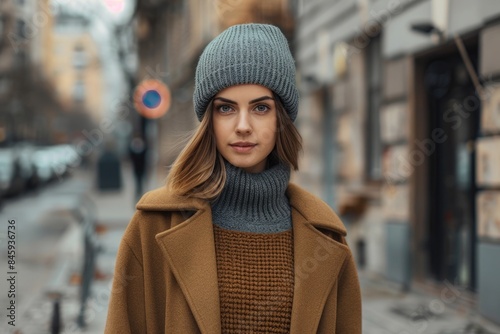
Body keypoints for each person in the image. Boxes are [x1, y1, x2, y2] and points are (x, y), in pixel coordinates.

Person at [105, 23, 361, 333]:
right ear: (208, 121)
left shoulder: (327, 235)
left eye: (261, 108)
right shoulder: (155, 224)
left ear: (281, 118)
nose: (243, 125)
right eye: (226, 108)